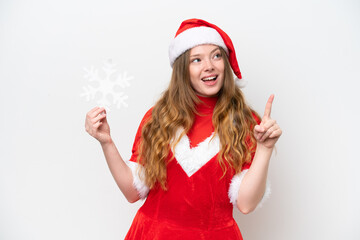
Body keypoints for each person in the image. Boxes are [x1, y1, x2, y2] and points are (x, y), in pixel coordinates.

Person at [85, 18, 282, 240]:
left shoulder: (246, 122)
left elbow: (245, 204)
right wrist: (106, 142)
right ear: (182, 70)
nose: (209, 65)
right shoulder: (159, 117)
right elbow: (132, 192)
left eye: (216, 55)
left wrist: (264, 149)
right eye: (196, 59)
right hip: (152, 234)